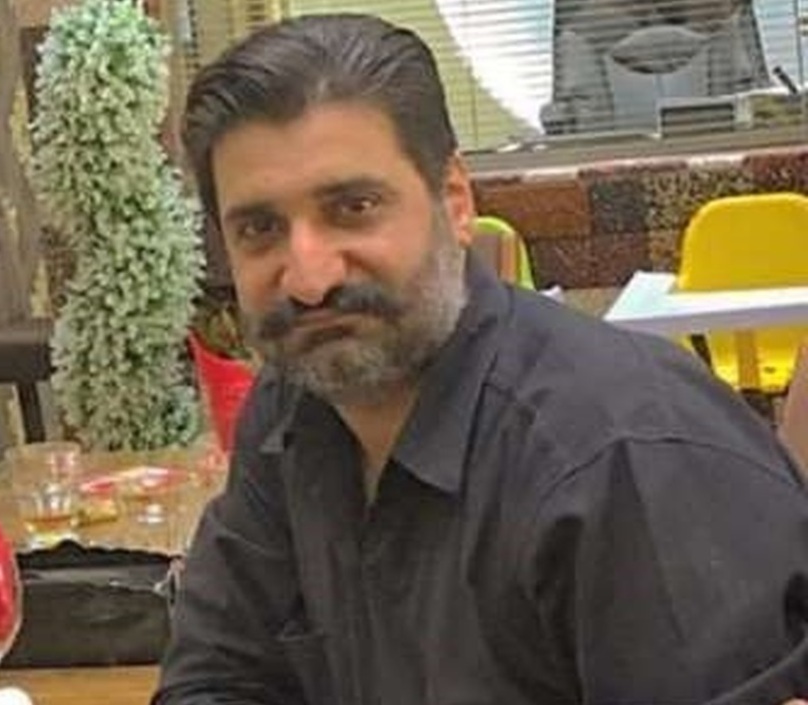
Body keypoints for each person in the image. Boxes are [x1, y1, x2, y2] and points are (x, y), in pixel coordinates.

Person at [154, 13, 808, 705]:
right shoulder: (296, 405)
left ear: (455, 202)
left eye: (353, 207)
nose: (309, 279)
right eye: (260, 229)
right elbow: (217, 677)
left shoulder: (623, 462)